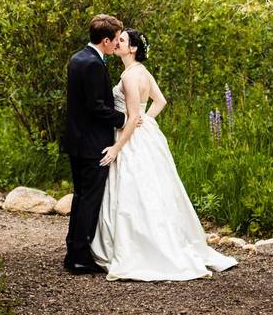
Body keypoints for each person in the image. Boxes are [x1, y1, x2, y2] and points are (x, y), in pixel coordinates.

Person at [90, 28, 238, 281]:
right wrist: (146, 121)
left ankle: (143, 248)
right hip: (146, 135)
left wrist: (118, 146)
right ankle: (167, 238)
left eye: (122, 41)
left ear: (133, 48)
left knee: (134, 190)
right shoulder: (142, 72)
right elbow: (160, 102)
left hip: (130, 138)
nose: (117, 43)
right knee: (155, 189)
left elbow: (133, 115)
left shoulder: (128, 76)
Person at [62, 14, 135, 274]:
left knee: (81, 197)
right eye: (116, 39)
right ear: (105, 40)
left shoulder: (77, 58)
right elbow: (95, 107)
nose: (117, 44)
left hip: (76, 142)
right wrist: (125, 119)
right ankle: (79, 257)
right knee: (89, 200)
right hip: (92, 144)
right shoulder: (93, 64)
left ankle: (74, 252)